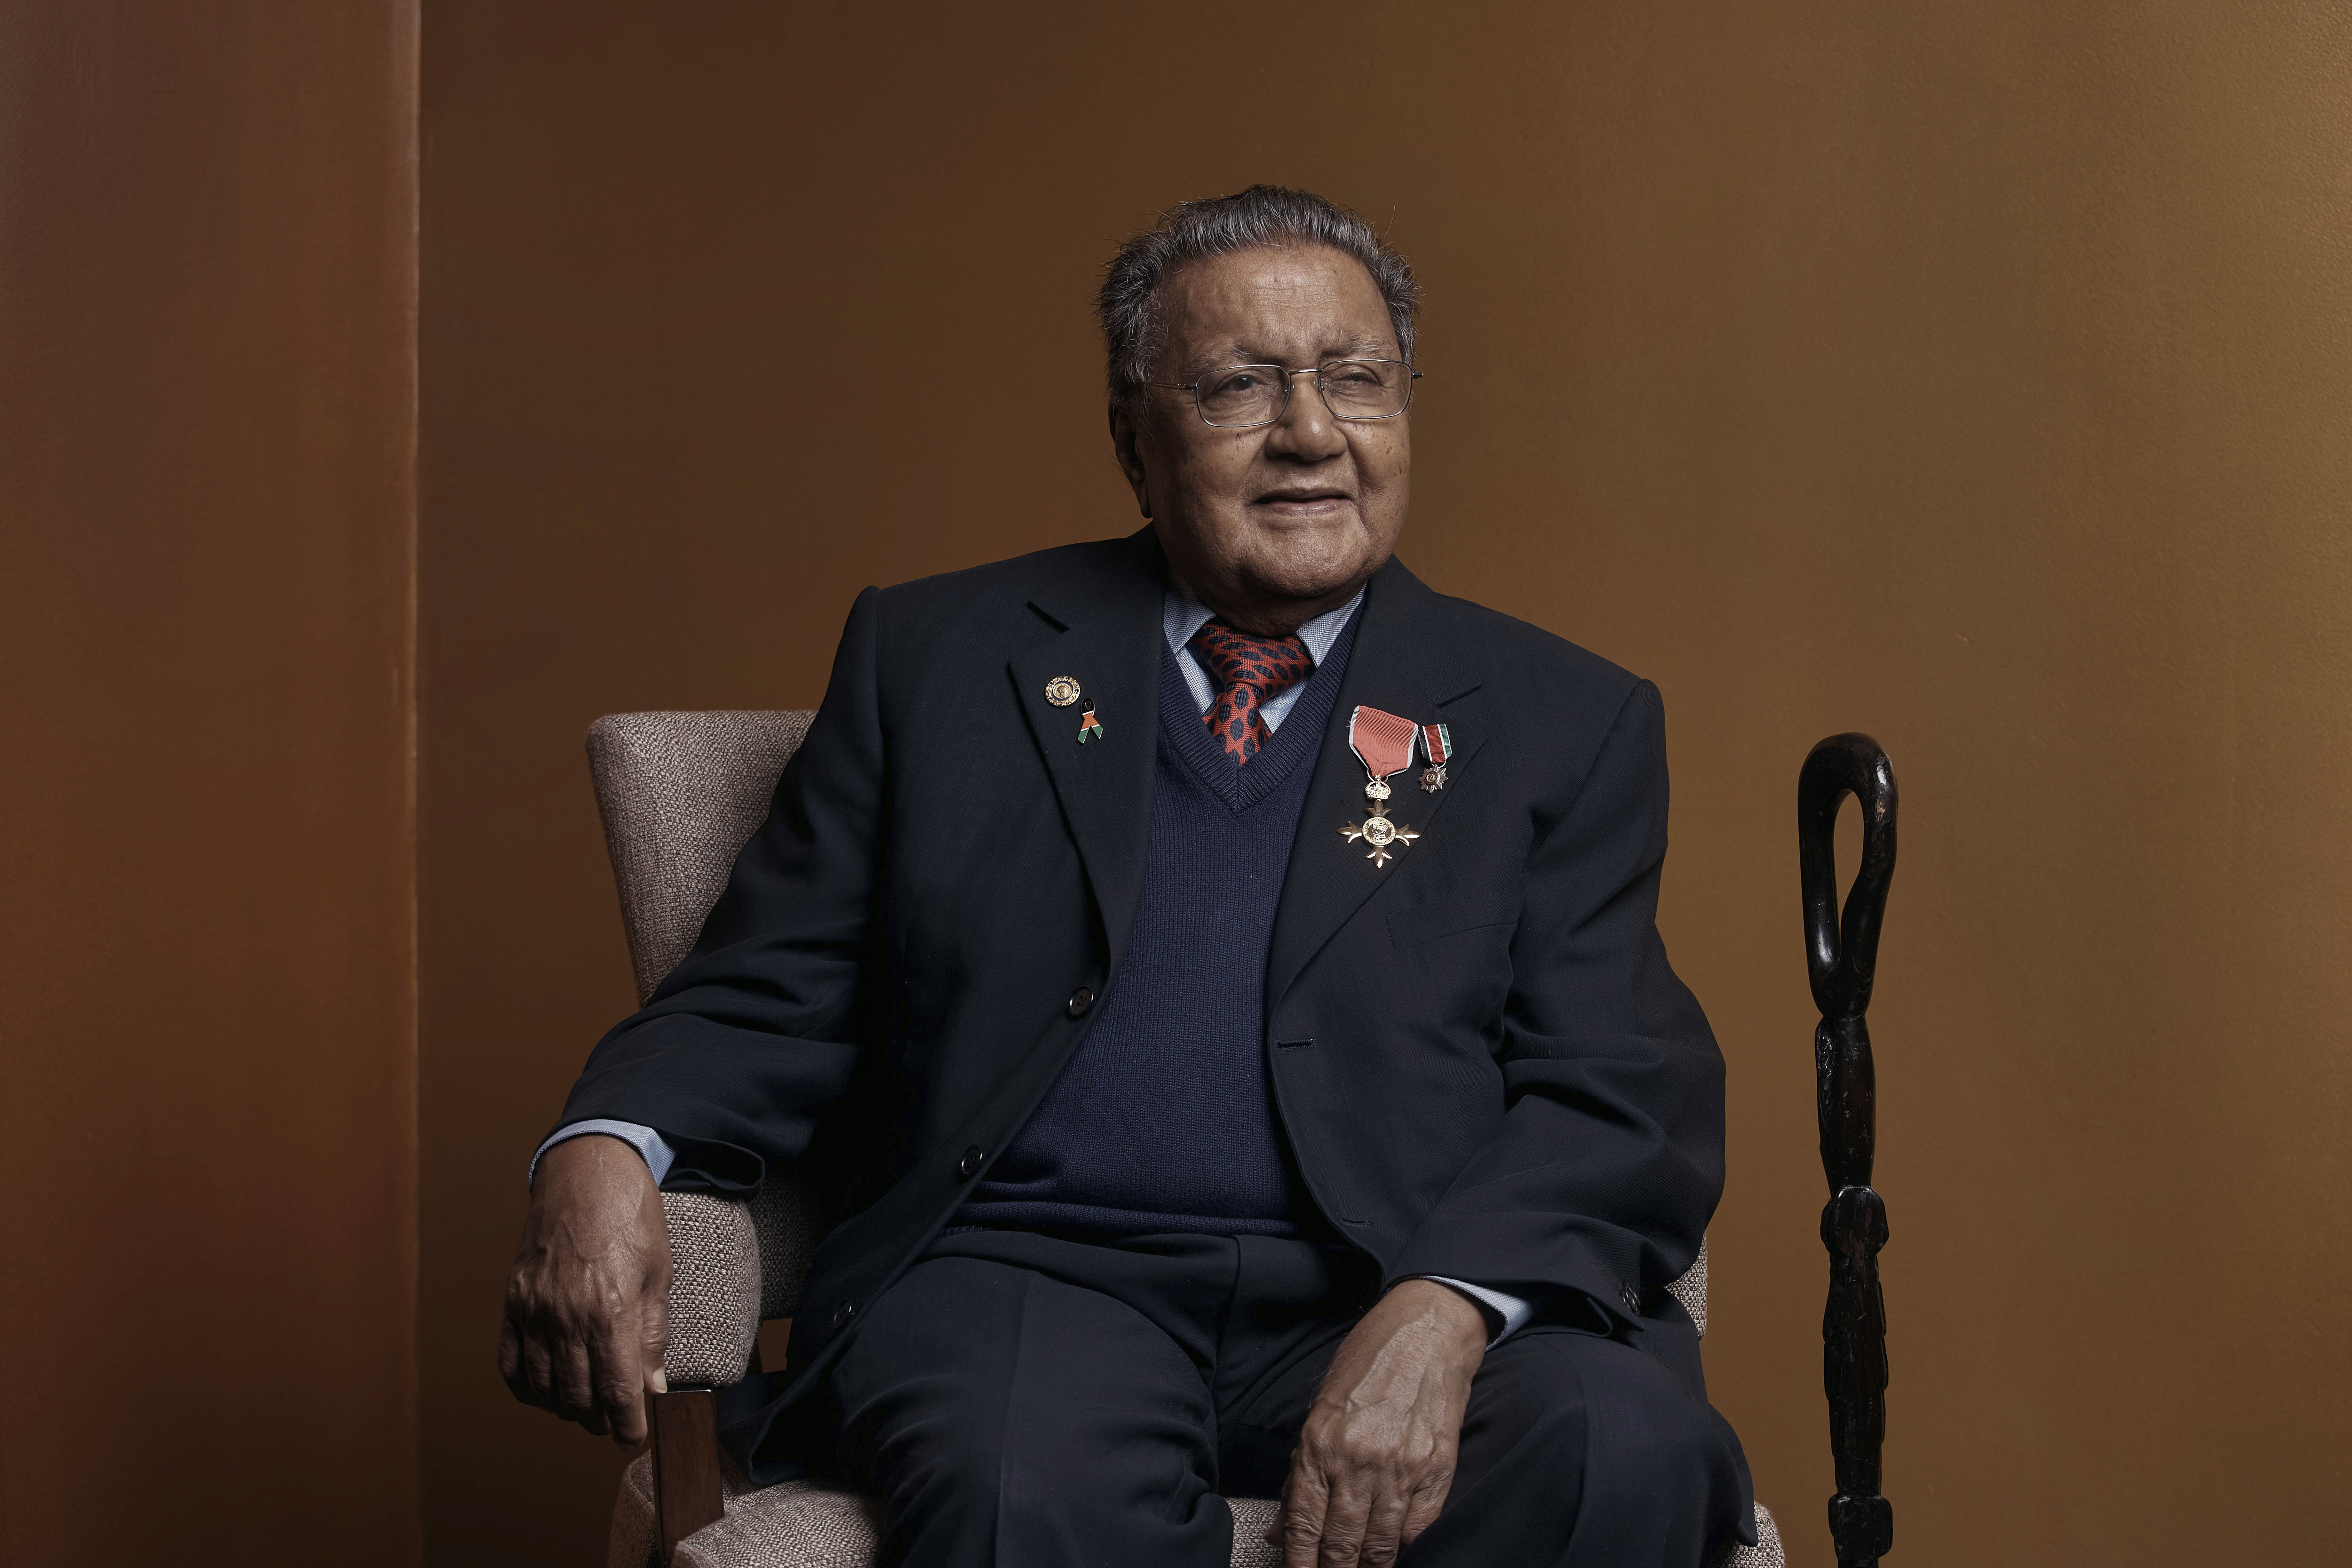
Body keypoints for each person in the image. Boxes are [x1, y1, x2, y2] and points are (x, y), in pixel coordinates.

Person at [501, 184, 1754, 1568]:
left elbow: (1619, 1086)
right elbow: (764, 992)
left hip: (1387, 1279)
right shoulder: (937, 661)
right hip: (1033, 1280)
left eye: (1357, 380)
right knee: (1018, 1490)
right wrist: (604, 1147)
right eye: (1239, 387)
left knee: (1625, 1449)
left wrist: (1447, 1307)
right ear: (1132, 439)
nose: (1312, 435)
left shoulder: (1561, 716)